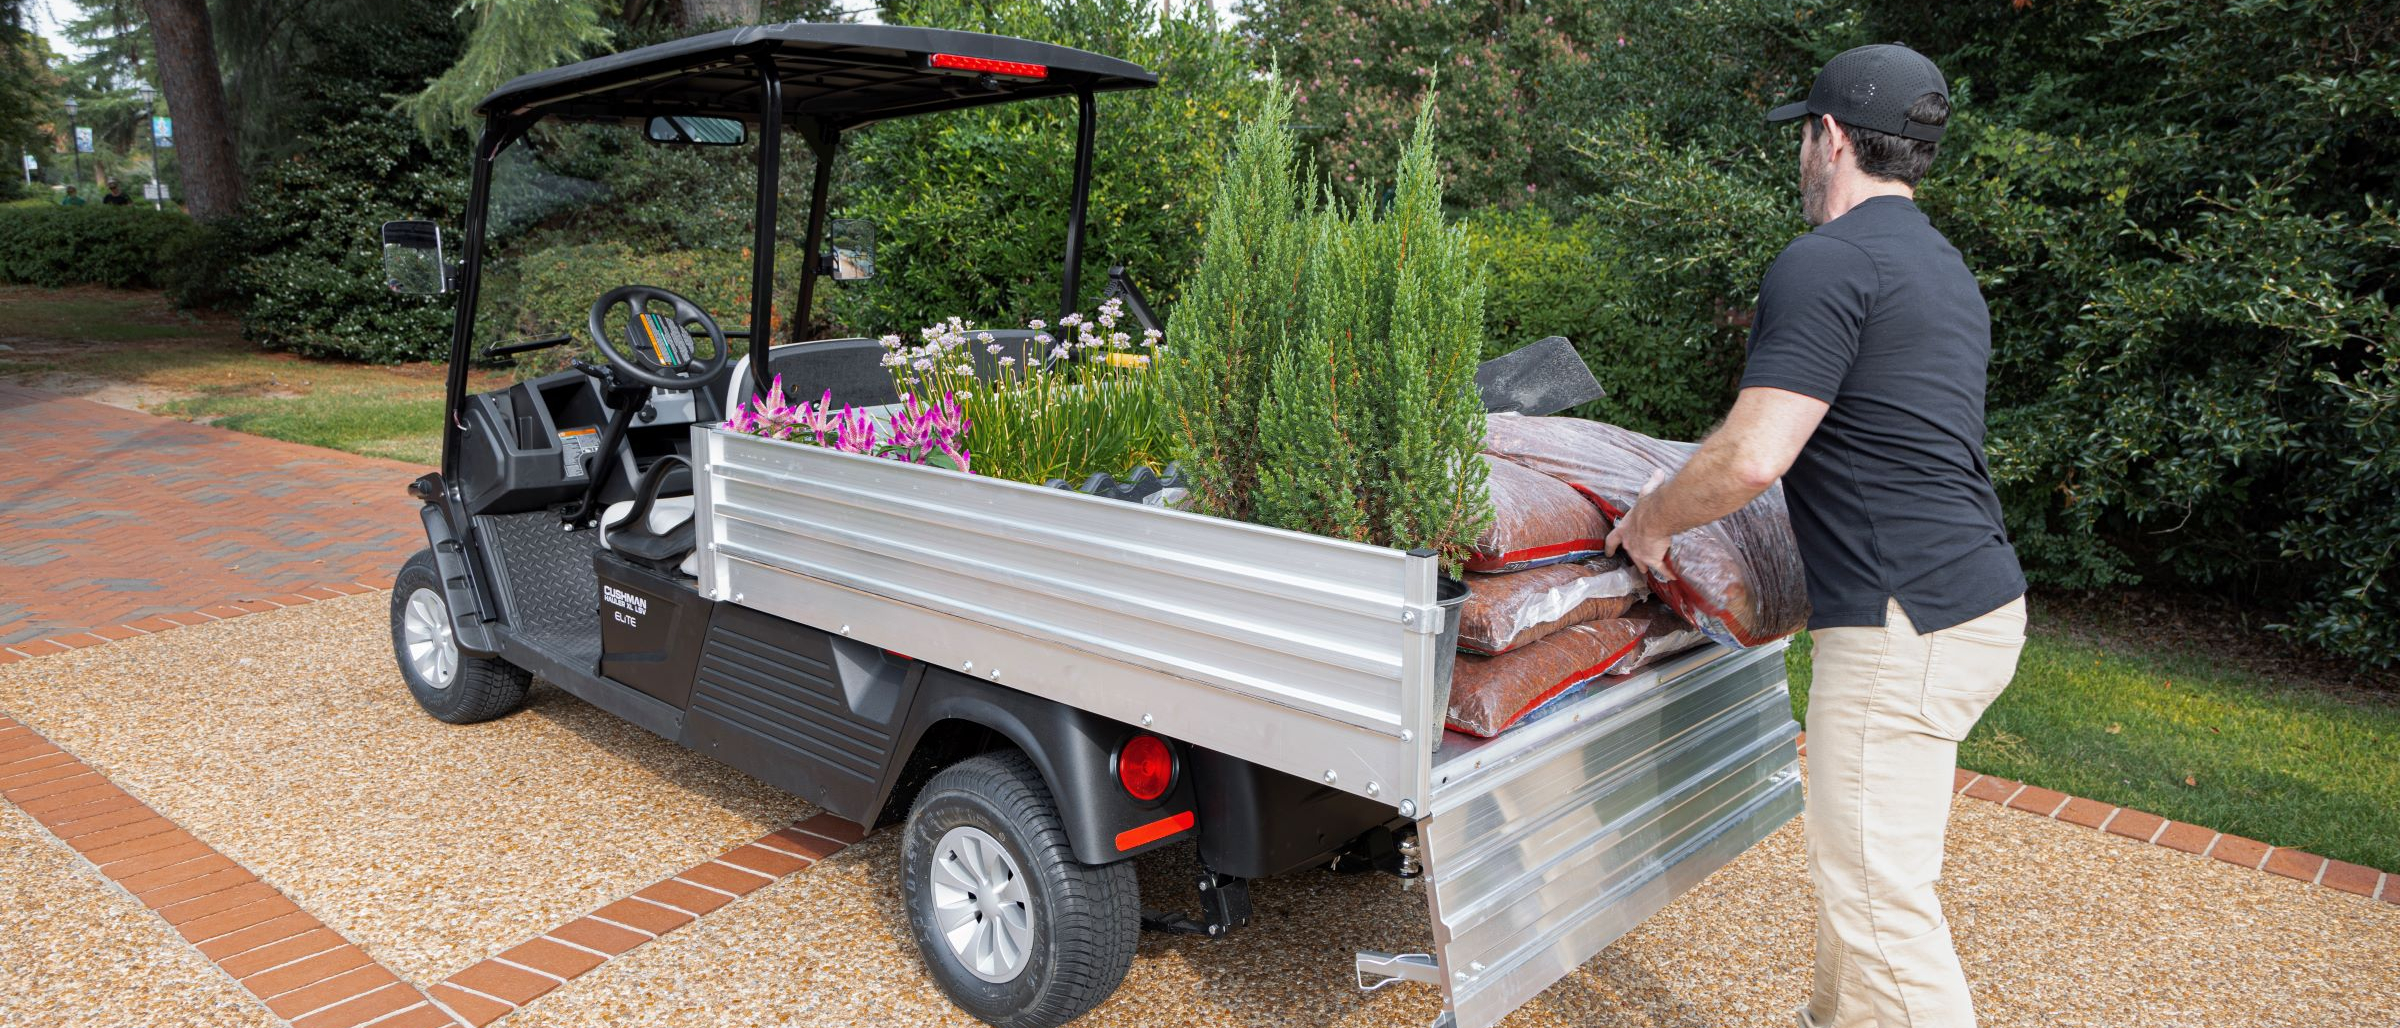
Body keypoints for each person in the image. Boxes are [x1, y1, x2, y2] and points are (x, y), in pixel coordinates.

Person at [1603, 43, 2026, 1028]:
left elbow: (1755, 452)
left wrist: (1651, 519)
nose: (1800, 153)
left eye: (1803, 134)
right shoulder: (1943, 266)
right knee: (1867, 873)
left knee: (1882, 909)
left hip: (1902, 624)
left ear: (1828, 137)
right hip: (1975, 602)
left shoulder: (1827, 260)